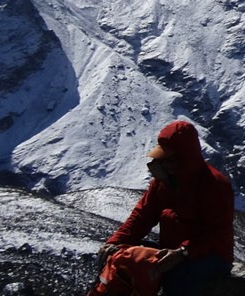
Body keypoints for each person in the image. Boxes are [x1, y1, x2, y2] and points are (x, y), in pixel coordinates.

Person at [97, 120, 234, 296]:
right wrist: (115, 242)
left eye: (166, 159)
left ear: (183, 158)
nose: (161, 164)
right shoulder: (164, 182)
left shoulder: (214, 185)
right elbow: (142, 216)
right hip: (173, 250)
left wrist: (183, 252)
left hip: (210, 256)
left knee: (176, 279)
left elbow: (217, 234)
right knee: (119, 258)